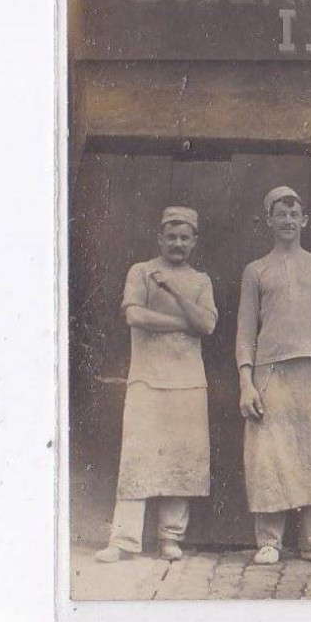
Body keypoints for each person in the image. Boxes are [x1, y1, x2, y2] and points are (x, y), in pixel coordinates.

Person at [236, 187, 311, 569]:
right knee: (270, 457)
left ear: (304, 220)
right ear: (269, 221)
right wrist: (246, 382)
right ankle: (269, 541)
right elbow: (244, 331)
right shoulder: (256, 271)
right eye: (279, 214)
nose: (287, 220)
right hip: (272, 374)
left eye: (293, 213)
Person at [95, 207, 217, 563]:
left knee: (181, 459)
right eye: (171, 236)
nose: (177, 243)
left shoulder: (201, 281)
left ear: (193, 241)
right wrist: (185, 321)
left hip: (188, 383)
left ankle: (170, 538)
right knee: (138, 456)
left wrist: (177, 294)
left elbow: (208, 326)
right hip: (146, 379)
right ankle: (124, 540)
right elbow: (135, 315)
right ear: (159, 238)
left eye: (184, 237)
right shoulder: (142, 272)